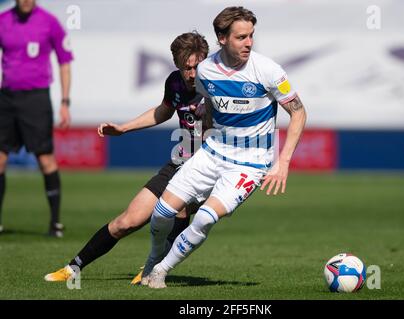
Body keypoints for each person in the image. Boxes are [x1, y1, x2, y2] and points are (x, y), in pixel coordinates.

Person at [140, 6, 307, 288]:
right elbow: (210, 108)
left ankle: (161, 270)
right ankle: (153, 257)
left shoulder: (268, 70)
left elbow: (299, 112)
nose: (249, 43)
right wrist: (204, 136)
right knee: (162, 212)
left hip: (250, 163)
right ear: (222, 38)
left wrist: (284, 162)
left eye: (251, 36)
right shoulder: (205, 71)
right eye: (241, 37)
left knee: (204, 218)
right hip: (213, 153)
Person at [44, 31, 210, 283]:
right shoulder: (175, 81)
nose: (192, 74)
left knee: (179, 210)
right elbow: (164, 110)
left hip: (208, 167)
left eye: (197, 67)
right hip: (180, 160)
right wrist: (123, 128)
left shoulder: (219, 86)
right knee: (128, 221)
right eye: (186, 68)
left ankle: (155, 267)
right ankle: (72, 269)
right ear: (177, 64)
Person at [0, 0, 73, 237]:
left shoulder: (49, 22)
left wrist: (64, 102)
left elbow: (64, 62)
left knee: (45, 160)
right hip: (7, 99)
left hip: (36, 99)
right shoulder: (3, 20)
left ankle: (55, 223)